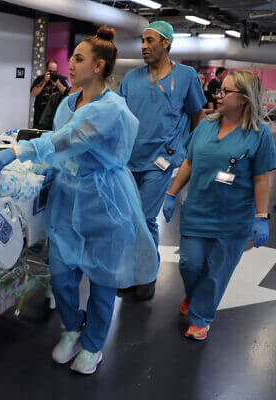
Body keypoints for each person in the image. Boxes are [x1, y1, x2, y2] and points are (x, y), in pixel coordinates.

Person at [0, 26, 157, 374]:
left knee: (103, 280)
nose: (70, 64)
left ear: (99, 66)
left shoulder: (110, 109)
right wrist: (45, 169)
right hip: (67, 196)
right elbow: (57, 145)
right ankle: (72, 326)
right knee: (62, 275)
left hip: (105, 199)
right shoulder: (66, 102)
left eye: (79, 58)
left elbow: (67, 139)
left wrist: (16, 152)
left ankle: (93, 345)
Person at [163, 71, 275, 340]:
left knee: (216, 270)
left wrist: (261, 216)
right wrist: (170, 193)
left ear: (244, 99)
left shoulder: (259, 136)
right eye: (219, 90)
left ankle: (201, 316)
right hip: (198, 211)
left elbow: (262, 179)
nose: (217, 95)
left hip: (233, 218)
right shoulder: (205, 126)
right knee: (189, 264)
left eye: (226, 92)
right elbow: (189, 162)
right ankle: (194, 296)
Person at [117, 21, 206, 300]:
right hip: (129, 160)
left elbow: (197, 116)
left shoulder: (186, 76)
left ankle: (147, 276)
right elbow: (119, 118)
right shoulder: (131, 78)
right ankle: (134, 271)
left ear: (165, 43)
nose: (144, 46)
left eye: (149, 41)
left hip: (161, 161)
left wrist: (190, 150)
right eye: (142, 41)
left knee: (144, 217)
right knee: (130, 219)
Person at [30, 60, 69, 128]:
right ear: (46, 70)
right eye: (50, 72)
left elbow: (67, 94)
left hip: (56, 118)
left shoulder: (61, 79)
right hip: (40, 118)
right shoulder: (40, 79)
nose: (53, 74)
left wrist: (57, 84)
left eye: (55, 72)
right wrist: (44, 81)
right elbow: (33, 93)